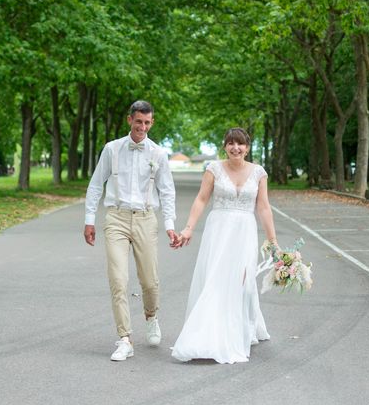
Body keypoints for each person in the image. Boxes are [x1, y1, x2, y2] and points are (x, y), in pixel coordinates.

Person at [171, 128, 277, 364]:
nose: (235, 148)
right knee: (216, 280)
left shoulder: (259, 172)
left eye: (240, 144)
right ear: (224, 147)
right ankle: (208, 335)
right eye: (230, 144)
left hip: (244, 231)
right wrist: (188, 228)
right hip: (218, 230)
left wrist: (273, 241)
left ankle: (242, 328)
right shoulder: (214, 169)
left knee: (242, 282)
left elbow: (263, 207)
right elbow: (201, 199)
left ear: (247, 148)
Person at [84, 100, 177, 361]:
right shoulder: (112, 150)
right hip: (116, 218)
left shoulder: (158, 154)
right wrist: (89, 219)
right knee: (118, 279)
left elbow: (167, 191)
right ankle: (124, 338)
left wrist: (170, 225)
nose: (143, 127)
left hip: (147, 218)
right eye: (139, 122)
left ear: (152, 123)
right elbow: (95, 185)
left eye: (147, 123)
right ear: (129, 120)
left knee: (149, 280)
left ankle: (151, 316)